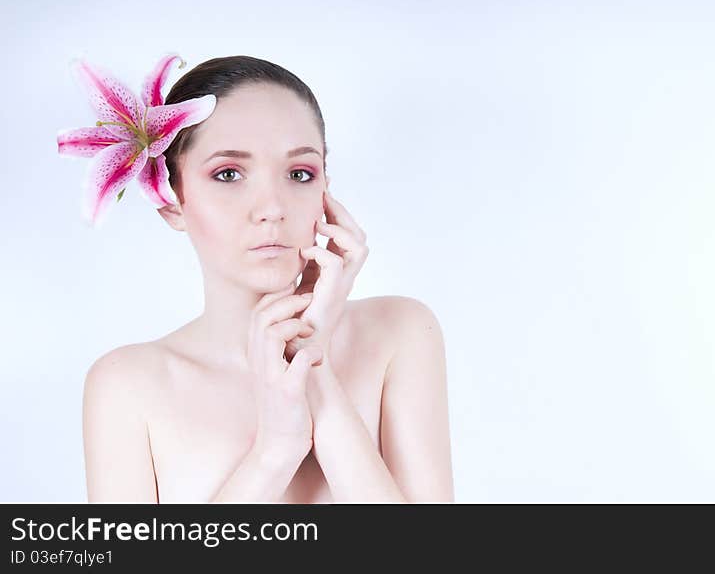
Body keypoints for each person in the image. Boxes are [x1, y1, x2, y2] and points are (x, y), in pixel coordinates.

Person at [75, 55, 454, 503]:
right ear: (173, 201)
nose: (272, 206)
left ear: (325, 192)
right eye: (228, 174)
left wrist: (313, 366)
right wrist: (276, 451)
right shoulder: (127, 385)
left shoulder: (400, 331)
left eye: (299, 174)